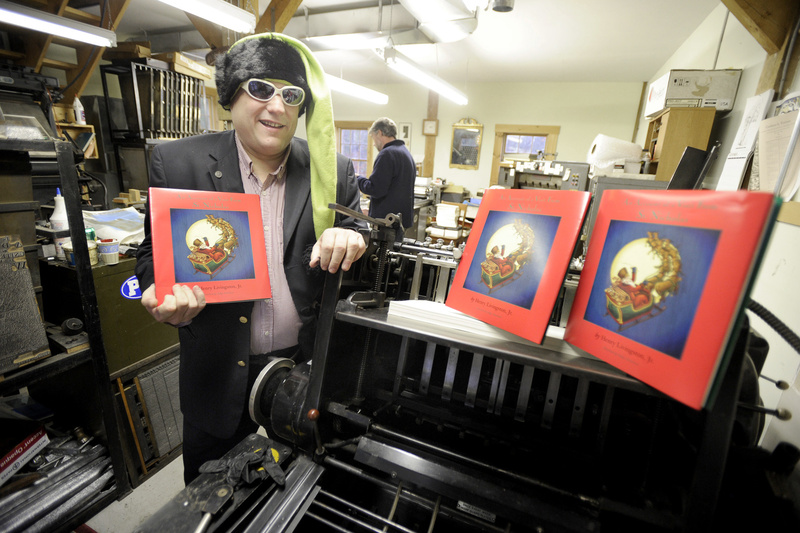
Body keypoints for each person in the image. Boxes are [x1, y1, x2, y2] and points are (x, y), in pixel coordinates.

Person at [134, 33, 367, 484]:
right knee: (213, 499)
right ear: (231, 95)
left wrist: (353, 237)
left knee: (300, 492)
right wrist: (161, 290)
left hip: (303, 371)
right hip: (217, 372)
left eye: (291, 95)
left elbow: (357, 234)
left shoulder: (330, 170)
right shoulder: (177, 163)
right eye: (260, 89)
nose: (276, 107)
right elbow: (151, 253)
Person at [356, 117, 416, 230]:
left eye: (373, 139)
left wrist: (357, 179)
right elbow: (393, 190)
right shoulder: (405, 152)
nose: (374, 144)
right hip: (399, 222)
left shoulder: (387, 154)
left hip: (387, 224)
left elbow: (375, 189)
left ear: (379, 133)